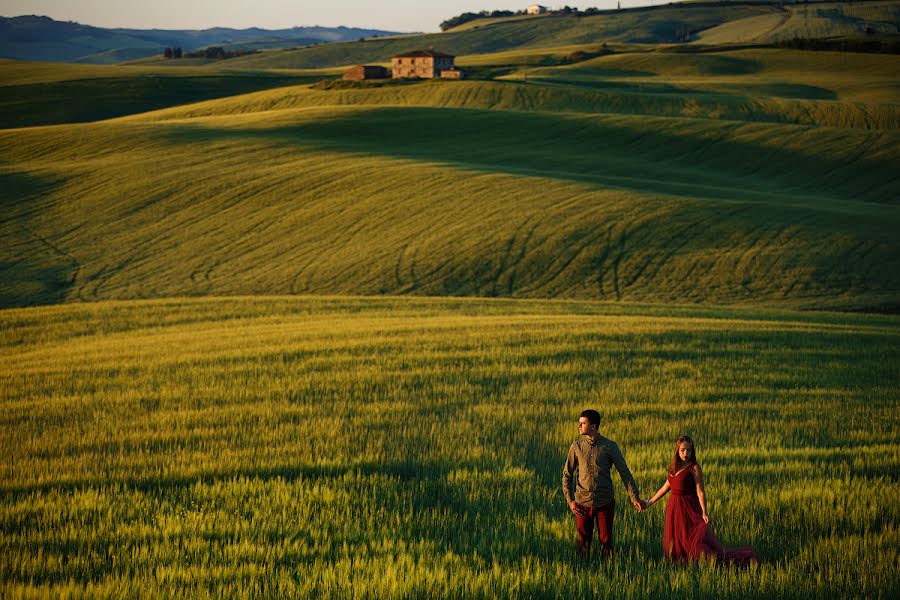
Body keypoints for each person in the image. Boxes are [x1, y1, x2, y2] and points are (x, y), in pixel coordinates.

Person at [640, 435, 759, 565]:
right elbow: (665, 487)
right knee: (676, 541)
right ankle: (680, 564)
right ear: (677, 451)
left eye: (689, 450)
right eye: (683, 450)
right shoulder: (673, 468)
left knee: (693, 543)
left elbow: (700, 491)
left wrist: (704, 511)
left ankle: (715, 562)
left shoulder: (694, 468)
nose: (686, 453)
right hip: (674, 508)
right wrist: (649, 502)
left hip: (689, 508)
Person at [562, 409, 644, 556]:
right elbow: (567, 474)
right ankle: (583, 572)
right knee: (583, 545)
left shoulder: (609, 446)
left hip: (604, 502)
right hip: (582, 503)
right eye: (579, 423)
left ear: (593, 426)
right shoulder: (576, 447)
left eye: (583, 423)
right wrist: (570, 501)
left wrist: (634, 497)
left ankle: (607, 571)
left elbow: (624, 472)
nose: (579, 426)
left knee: (606, 543)